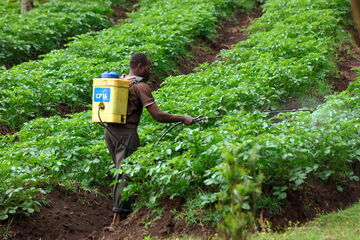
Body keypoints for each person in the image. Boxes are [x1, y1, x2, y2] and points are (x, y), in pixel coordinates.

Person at [104, 52, 194, 230]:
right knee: (125, 173)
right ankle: (117, 220)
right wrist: (182, 117)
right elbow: (158, 116)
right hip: (127, 134)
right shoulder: (140, 86)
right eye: (148, 66)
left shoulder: (121, 80)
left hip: (109, 132)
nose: (150, 69)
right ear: (139, 67)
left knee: (120, 171)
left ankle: (126, 211)